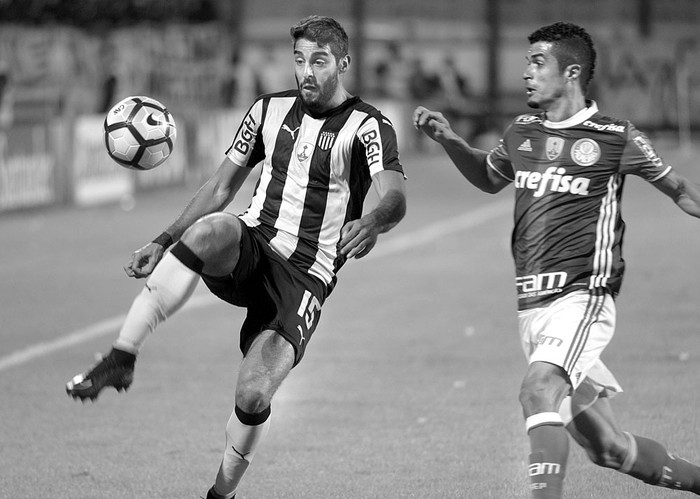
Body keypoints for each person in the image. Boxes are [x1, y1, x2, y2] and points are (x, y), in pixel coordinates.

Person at [66, 15, 406, 499]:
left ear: (343, 63)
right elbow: (223, 186)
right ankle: (122, 356)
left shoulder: (369, 126)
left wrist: (372, 221)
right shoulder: (267, 110)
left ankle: (220, 493)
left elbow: (394, 198)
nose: (307, 71)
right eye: (299, 60)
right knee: (215, 229)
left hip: (304, 277)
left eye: (320, 61)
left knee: (252, 394)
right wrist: (163, 239)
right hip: (252, 244)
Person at [413, 21, 700, 499]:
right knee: (608, 448)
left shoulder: (614, 136)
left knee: (537, 390)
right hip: (533, 307)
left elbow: (682, 191)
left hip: (582, 297)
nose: (526, 71)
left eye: (537, 62)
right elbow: (489, 177)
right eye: (527, 61)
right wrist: (450, 142)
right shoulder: (522, 132)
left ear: (571, 72)